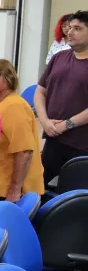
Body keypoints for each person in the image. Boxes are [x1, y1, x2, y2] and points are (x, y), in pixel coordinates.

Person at [35, 10, 88, 186]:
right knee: (36, 186)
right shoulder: (59, 57)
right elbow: (40, 91)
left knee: (71, 197)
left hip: (81, 144)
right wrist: (44, 121)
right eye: (70, 27)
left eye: (77, 28)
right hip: (53, 139)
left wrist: (66, 125)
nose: (70, 32)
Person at [0, 60, 45, 202]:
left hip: (9, 191)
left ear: (6, 79)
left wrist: (15, 189)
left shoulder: (14, 106)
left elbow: (24, 152)